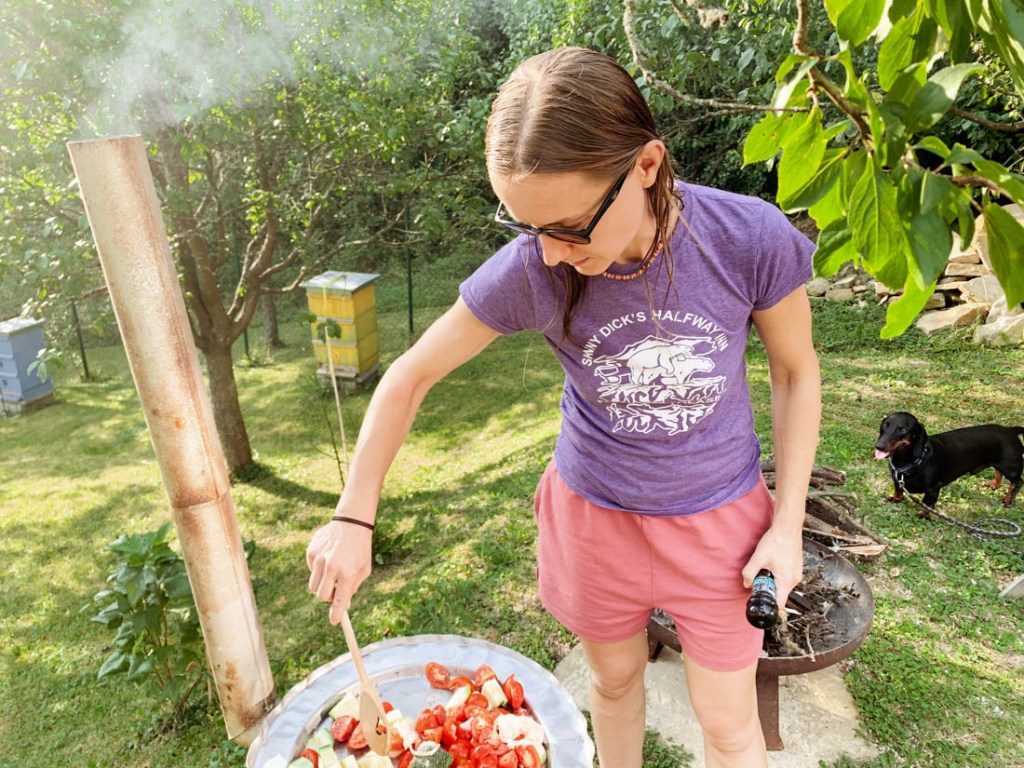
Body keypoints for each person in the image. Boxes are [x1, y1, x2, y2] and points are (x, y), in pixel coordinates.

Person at [306, 46, 821, 768]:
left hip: (721, 525)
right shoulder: (538, 268)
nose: (549, 254)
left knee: (730, 726)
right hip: (594, 523)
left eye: (571, 227)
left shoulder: (746, 239)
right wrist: (353, 516)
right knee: (613, 685)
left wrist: (787, 527)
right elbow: (411, 375)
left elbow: (795, 373)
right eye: (527, 228)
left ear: (646, 165)